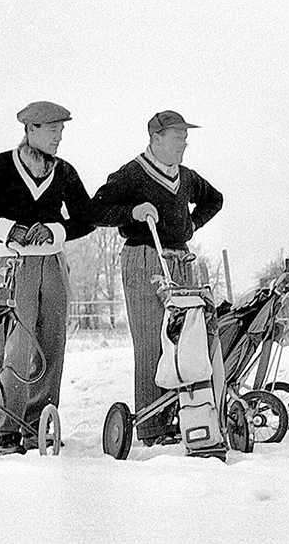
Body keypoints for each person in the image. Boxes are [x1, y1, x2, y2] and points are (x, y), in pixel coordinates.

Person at [0, 100, 95, 455]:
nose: (59, 136)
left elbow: (87, 217)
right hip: (13, 265)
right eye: (53, 130)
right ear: (30, 130)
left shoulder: (64, 172)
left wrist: (53, 231)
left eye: (62, 130)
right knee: (16, 347)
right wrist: (7, 229)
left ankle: (38, 426)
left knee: (51, 344)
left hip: (52, 265)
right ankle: (6, 431)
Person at [89, 110, 223, 446]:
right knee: (152, 343)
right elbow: (93, 211)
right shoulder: (132, 175)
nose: (185, 142)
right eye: (178, 136)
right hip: (144, 259)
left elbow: (214, 199)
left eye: (185, 136)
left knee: (183, 342)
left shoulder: (186, 177)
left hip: (180, 259)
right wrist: (131, 213)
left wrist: (191, 225)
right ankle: (151, 427)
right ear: (156, 139)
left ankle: (179, 417)